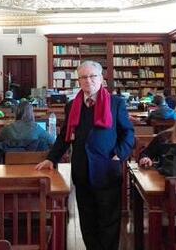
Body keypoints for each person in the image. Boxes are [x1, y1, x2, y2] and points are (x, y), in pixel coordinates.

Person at [35, 60, 134, 250]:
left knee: (109, 220)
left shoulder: (116, 103)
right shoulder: (72, 105)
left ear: (101, 79)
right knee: (87, 220)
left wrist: (119, 155)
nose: (88, 81)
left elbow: (128, 133)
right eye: (83, 77)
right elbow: (65, 135)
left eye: (92, 76)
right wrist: (51, 158)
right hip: (82, 170)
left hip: (107, 170)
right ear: (78, 81)